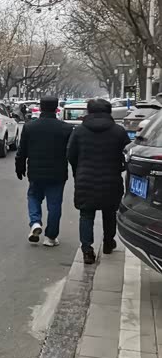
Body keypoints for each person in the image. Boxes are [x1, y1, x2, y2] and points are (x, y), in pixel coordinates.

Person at [67, 98, 131, 264]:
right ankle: (109, 242)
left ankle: (87, 250)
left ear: (89, 111)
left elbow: (71, 154)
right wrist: (120, 167)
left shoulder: (79, 131)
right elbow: (128, 154)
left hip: (85, 178)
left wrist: (78, 170)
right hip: (111, 179)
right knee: (109, 212)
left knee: (86, 214)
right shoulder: (118, 131)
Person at [15, 96, 74, 246]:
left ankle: (35, 222)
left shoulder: (30, 127)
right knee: (54, 204)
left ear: (40, 108)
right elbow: (71, 152)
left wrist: (19, 167)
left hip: (35, 171)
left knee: (33, 196)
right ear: (56, 108)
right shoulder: (66, 128)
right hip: (58, 173)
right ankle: (50, 237)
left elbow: (22, 150)